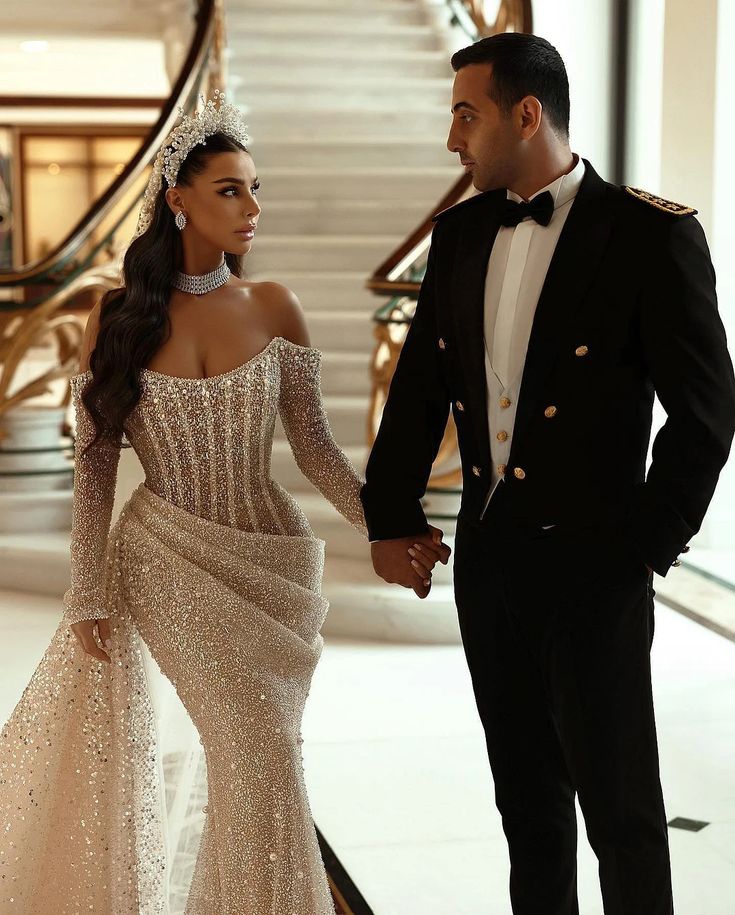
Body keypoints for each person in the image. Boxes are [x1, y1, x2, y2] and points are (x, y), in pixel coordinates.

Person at [0, 93, 447, 913]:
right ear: (179, 201)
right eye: (230, 189)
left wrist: (390, 525)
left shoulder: (274, 305)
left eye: (255, 187)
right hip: (168, 561)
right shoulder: (119, 317)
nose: (252, 208)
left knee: (266, 754)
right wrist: (89, 583)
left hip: (272, 560)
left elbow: (314, 449)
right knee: (255, 750)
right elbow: (95, 463)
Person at [361, 33, 735, 915]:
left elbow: (706, 408)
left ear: (526, 115)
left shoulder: (649, 234)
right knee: (526, 808)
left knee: (621, 813)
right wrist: (389, 514)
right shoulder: (455, 235)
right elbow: (419, 390)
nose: (453, 139)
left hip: (593, 564)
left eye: (466, 114)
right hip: (489, 561)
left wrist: (645, 544)